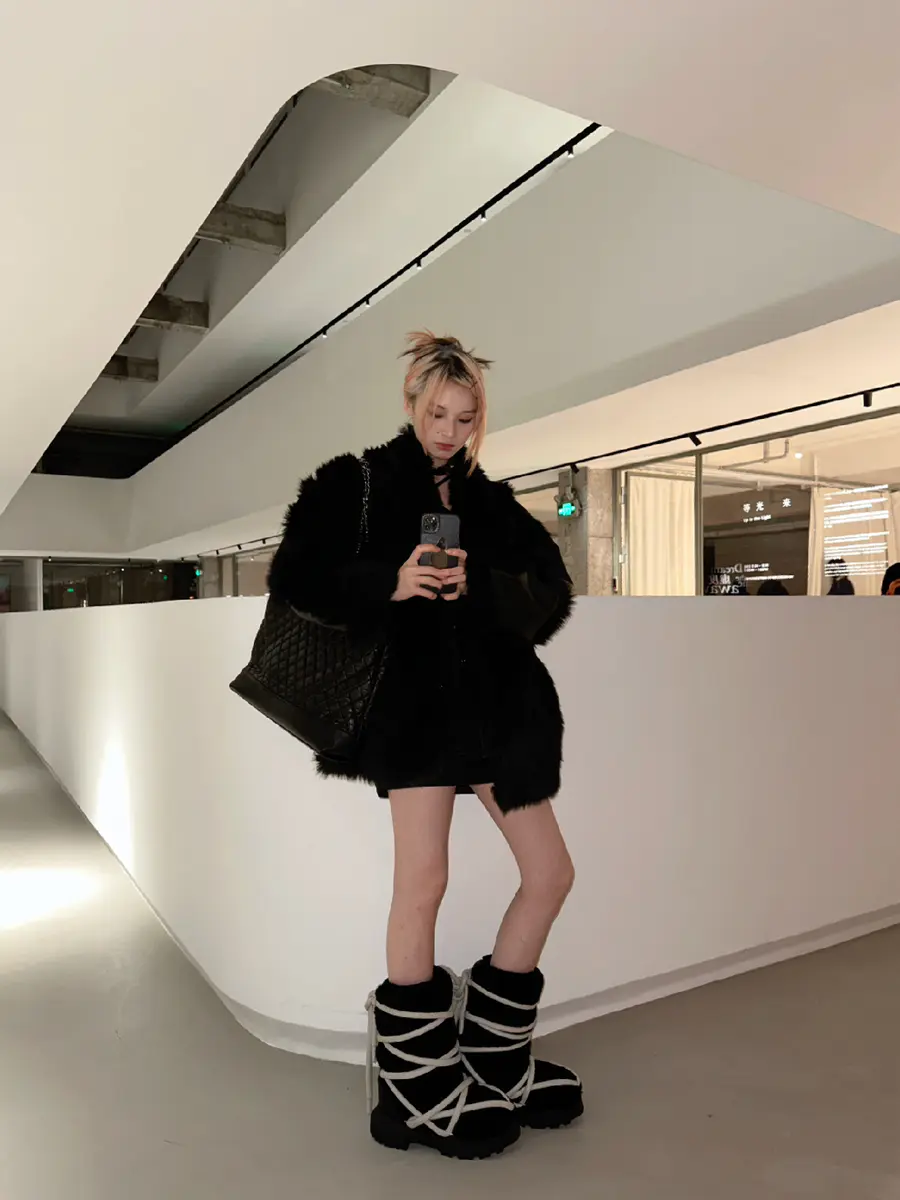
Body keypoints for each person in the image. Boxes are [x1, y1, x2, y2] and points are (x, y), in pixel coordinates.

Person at [267, 332, 581, 1159]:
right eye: (438, 413)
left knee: (550, 873)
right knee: (423, 882)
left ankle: (492, 1053)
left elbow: (550, 593)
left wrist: (480, 586)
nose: (449, 432)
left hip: (494, 714)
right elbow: (296, 577)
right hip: (414, 716)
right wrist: (390, 581)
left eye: (464, 418)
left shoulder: (491, 503)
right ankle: (412, 1085)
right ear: (412, 404)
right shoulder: (356, 483)